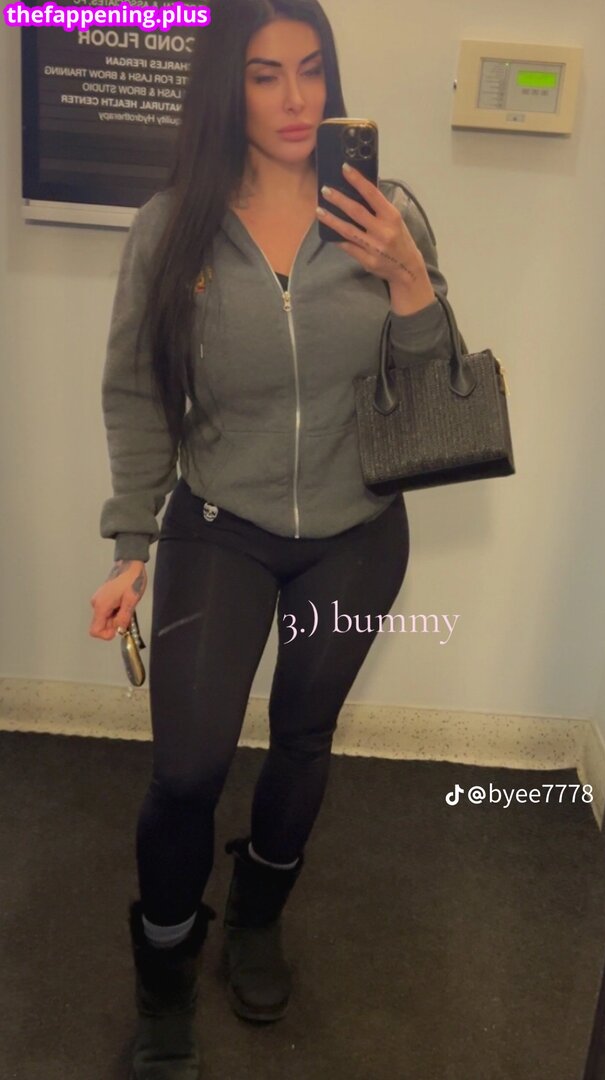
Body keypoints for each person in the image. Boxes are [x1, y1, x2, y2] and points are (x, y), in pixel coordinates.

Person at [89, 1, 457, 1077]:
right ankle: (163, 976)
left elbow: (434, 385)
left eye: (309, 69)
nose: (295, 99)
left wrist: (408, 277)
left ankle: (256, 915)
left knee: (302, 739)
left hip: (357, 533)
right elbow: (137, 393)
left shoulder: (382, 210)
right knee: (187, 769)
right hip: (221, 528)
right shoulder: (172, 227)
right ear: (227, 87)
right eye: (264, 75)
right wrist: (131, 544)